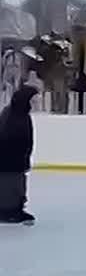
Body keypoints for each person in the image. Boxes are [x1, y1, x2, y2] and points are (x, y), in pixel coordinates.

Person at [0, 85, 39, 225]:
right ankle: (7, 211)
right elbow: (7, 139)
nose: (35, 103)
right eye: (33, 100)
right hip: (8, 161)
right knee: (9, 185)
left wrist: (25, 158)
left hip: (17, 160)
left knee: (18, 185)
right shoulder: (12, 116)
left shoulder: (21, 115)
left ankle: (16, 208)